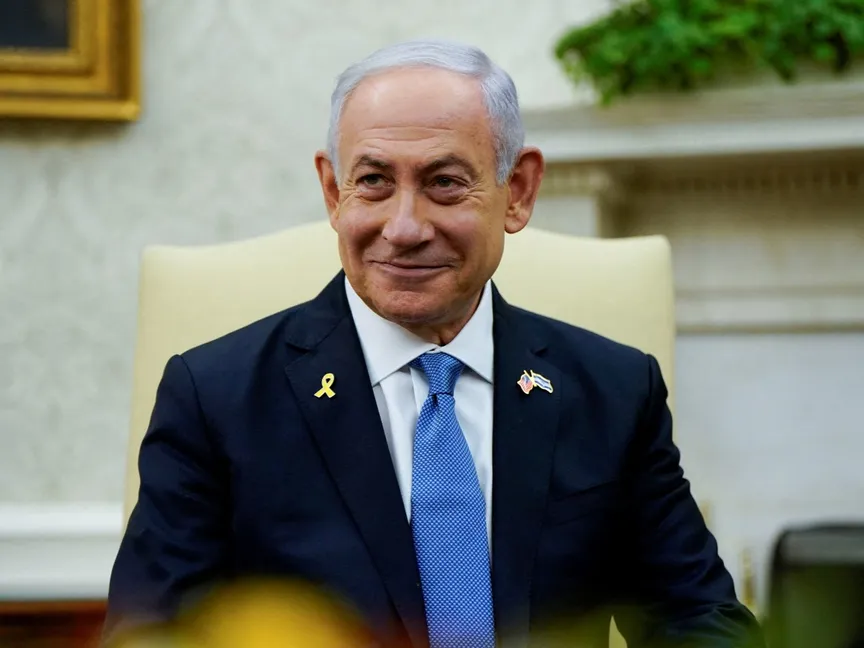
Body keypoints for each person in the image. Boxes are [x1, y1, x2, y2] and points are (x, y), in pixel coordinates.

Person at [105, 40, 763, 648]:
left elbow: (700, 621)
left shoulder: (613, 391)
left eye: (444, 182)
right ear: (333, 192)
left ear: (518, 191)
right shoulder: (218, 398)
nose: (405, 227)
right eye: (373, 181)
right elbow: (151, 637)